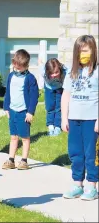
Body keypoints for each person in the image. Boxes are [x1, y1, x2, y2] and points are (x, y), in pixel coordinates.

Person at [62, 35, 98, 201]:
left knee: (91, 153)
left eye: (86, 50)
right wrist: (64, 118)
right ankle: (78, 184)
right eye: (80, 51)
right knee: (76, 153)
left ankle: (92, 186)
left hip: (92, 119)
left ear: (93, 51)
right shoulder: (71, 71)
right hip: (73, 119)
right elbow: (66, 96)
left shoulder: (97, 71)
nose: (83, 53)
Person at [2, 49, 39, 170]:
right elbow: (8, 92)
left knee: (25, 137)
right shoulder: (11, 76)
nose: (17, 69)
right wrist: (6, 107)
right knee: (13, 137)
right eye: (16, 67)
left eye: (20, 68)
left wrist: (30, 112)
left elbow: (34, 96)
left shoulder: (30, 78)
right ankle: (11, 160)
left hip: (24, 112)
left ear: (27, 66)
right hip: (12, 111)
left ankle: (24, 160)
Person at [39, 58, 69, 136]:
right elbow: (40, 67)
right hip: (49, 88)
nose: (54, 75)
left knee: (59, 107)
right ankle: (50, 125)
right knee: (50, 106)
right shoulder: (43, 71)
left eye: (56, 72)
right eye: (51, 73)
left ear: (59, 68)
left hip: (60, 88)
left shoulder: (65, 71)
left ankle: (57, 126)